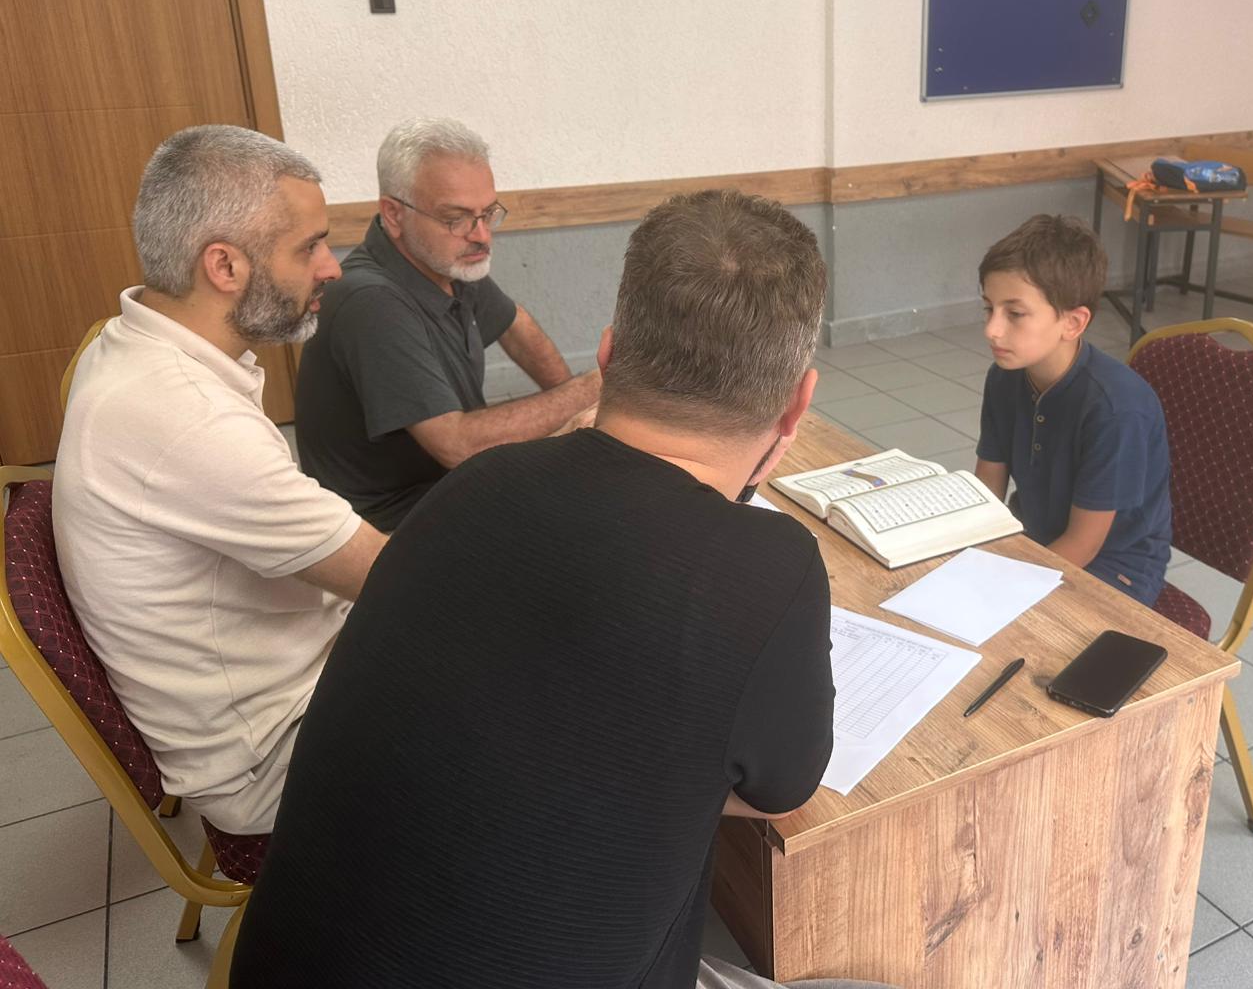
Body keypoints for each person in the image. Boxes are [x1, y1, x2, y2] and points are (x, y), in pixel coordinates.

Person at [231, 191, 891, 989]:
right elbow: (781, 790)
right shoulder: (770, 567)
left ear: (607, 356)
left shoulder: (472, 487)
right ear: (797, 405)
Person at [52, 125, 388, 835]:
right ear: (225, 266)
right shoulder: (187, 418)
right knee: (544, 685)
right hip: (275, 758)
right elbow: (394, 577)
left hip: (287, 684)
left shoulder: (127, 343)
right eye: (308, 247)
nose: (331, 268)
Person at [293, 117, 601, 530]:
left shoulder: (446, 262)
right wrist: (591, 388)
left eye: (488, 213)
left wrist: (580, 417)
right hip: (391, 527)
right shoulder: (371, 301)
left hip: (449, 490)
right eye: (456, 218)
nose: (482, 235)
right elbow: (457, 445)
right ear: (394, 214)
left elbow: (516, 325)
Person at [973, 214, 1172, 605]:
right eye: (988, 308)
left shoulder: (1115, 410)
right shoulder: (1004, 377)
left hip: (1114, 569)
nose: (991, 329)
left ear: (1073, 323)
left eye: (1014, 313)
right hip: (1034, 538)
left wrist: (997, 589)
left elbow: (1083, 544)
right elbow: (987, 492)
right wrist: (968, 554)